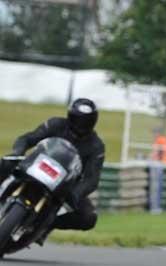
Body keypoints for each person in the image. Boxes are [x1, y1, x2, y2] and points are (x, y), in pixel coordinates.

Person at [4, 98, 104, 233]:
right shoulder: (55, 124)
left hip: (65, 184)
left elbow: (92, 178)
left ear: (93, 121)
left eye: (86, 121)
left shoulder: (96, 146)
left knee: (88, 217)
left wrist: (76, 194)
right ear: (70, 116)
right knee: (5, 162)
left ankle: (46, 224)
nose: (81, 125)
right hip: (37, 166)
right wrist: (18, 151)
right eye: (78, 119)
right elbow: (27, 138)